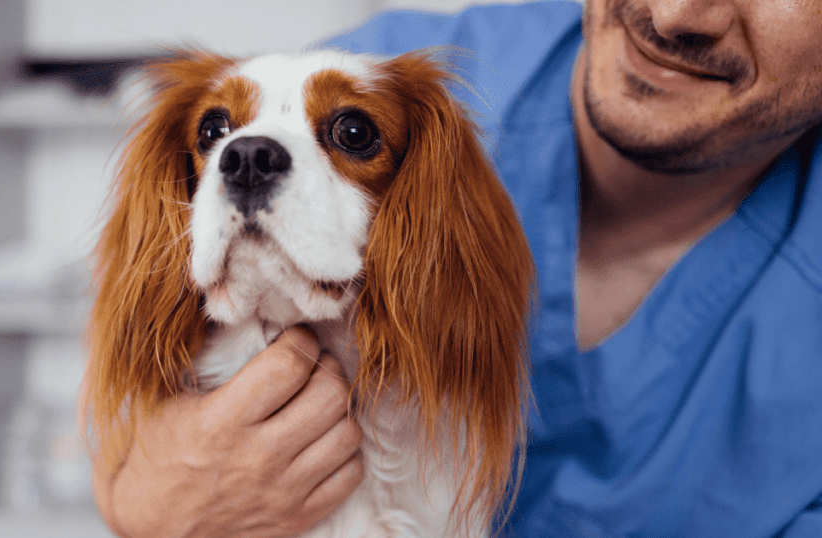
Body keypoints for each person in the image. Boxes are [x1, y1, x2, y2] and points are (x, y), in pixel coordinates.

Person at [81, 0, 822, 536]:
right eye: (217, 132)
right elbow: (126, 419)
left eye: (350, 134)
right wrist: (145, 498)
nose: (674, 12)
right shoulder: (398, 56)